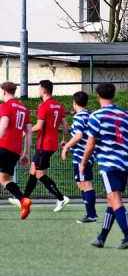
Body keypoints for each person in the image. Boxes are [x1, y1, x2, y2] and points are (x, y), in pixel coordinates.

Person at [82, 82, 128, 249]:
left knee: (115, 199)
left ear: (98, 96)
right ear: (114, 95)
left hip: (109, 164)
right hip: (124, 163)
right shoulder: (125, 115)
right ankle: (102, 237)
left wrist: (83, 163)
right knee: (112, 200)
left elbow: (90, 144)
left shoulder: (96, 117)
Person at [9, 80, 70, 212]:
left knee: (39, 174)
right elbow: (65, 125)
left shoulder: (43, 106)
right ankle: (23, 200)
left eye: (38, 89)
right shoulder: (58, 106)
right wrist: (64, 139)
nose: (38, 91)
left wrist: (24, 132)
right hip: (51, 143)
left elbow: (39, 126)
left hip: (44, 145)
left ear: (43, 90)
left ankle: (61, 198)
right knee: (33, 171)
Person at [61, 91, 98, 223]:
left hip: (83, 155)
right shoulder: (89, 115)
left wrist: (66, 147)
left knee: (85, 184)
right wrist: (69, 142)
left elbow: (79, 136)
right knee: (80, 183)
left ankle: (91, 215)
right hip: (85, 154)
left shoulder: (79, 117)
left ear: (74, 102)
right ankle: (91, 213)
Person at [0, 81, 33, 220]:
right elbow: (29, 132)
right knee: (4, 179)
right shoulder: (23, 108)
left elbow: (4, 125)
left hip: (3, 146)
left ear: (4, 92)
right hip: (15, 150)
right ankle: (23, 199)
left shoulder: (5, 106)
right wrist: (26, 153)